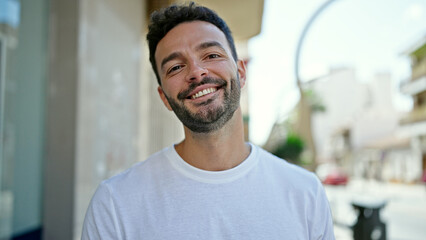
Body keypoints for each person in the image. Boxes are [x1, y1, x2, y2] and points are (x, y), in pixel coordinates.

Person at [82, 2, 335, 239]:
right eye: (175, 68)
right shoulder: (115, 204)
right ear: (165, 98)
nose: (196, 72)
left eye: (211, 55)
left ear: (241, 73)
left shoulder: (305, 194)